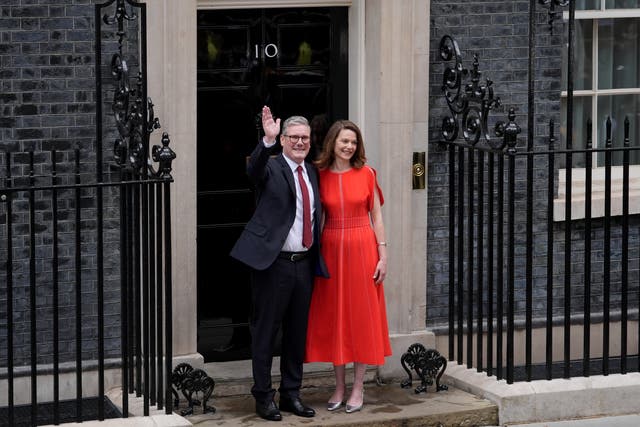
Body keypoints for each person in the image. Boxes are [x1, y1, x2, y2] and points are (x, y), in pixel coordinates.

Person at [230, 106, 328, 422]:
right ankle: (263, 397)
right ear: (284, 140)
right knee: (265, 332)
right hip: (274, 265)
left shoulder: (312, 171)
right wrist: (266, 140)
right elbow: (252, 171)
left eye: (305, 138)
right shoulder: (271, 167)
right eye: (294, 137)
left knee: (296, 334)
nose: (300, 142)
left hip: (304, 264)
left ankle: (291, 394)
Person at [305, 119, 392, 413]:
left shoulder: (367, 173)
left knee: (360, 318)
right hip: (330, 247)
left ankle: (358, 386)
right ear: (333, 142)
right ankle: (339, 386)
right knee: (336, 318)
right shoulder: (319, 174)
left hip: (362, 247)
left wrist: (383, 255)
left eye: (353, 142)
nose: (349, 146)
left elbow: (377, 217)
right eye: (344, 141)